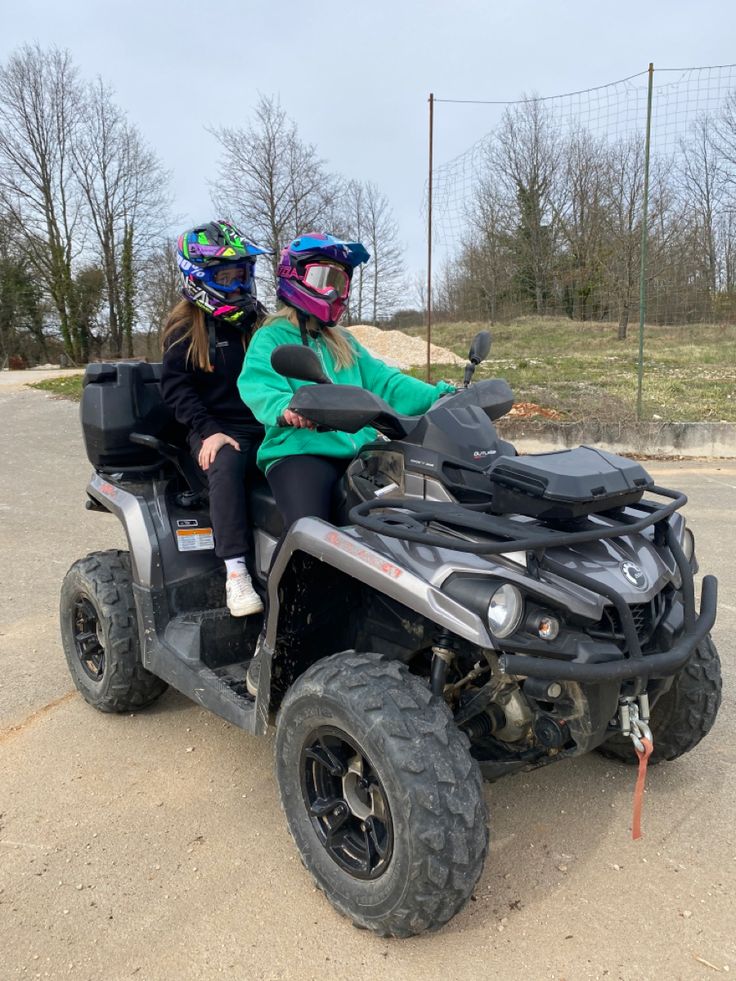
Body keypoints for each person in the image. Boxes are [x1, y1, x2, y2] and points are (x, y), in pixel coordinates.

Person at [238, 231, 455, 692]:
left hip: (357, 451)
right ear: (294, 278)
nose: (336, 290)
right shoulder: (271, 337)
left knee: (410, 523)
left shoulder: (344, 343)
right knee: (308, 538)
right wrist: (285, 408)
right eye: (325, 277)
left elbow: (388, 384)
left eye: (343, 280)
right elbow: (255, 384)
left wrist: (443, 397)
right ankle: (272, 644)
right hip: (299, 452)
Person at [161, 220, 269, 617]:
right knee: (224, 467)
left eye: (241, 274)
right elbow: (177, 390)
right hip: (217, 428)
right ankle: (236, 572)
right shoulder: (185, 330)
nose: (237, 284)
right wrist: (209, 432)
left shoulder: (259, 323)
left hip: (266, 421)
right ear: (198, 278)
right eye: (225, 276)